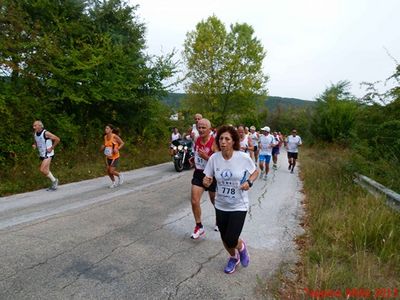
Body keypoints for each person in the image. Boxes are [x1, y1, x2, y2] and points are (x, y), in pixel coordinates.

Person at [203, 125, 259, 274]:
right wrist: (206, 181)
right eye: (221, 138)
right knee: (224, 237)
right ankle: (233, 258)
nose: (223, 141)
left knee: (231, 238)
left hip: (238, 205)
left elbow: (255, 172)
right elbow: (207, 176)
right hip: (221, 204)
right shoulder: (214, 159)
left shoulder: (243, 157)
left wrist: (249, 182)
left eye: (227, 139)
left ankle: (241, 248)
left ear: (233, 141)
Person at [190, 118, 217, 239]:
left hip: (211, 175)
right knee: (195, 201)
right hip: (199, 173)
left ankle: (219, 219)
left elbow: (217, 163)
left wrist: (206, 157)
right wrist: (193, 159)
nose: (200, 130)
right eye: (199, 127)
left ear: (209, 129)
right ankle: (199, 226)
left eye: (203, 127)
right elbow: (196, 154)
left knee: (214, 201)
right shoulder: (197, 139)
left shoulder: (215, 142)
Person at [32, 120, 60, 191]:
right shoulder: (35, 133)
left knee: (42, 169)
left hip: (48, 154)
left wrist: (52, 147)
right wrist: (35, 145)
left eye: (35, 125)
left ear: (40, 126)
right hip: (42, 154)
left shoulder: (46, 133)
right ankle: (54, 181)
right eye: (33, 125)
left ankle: (55, 181)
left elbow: (57, 139)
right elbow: (36, 140)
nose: (33, 127)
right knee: (46, 170)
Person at [101, 124, 125, 188]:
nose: (106, 129)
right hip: (108, 157)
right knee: (108, 171)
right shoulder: (105, 137)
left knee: (111, 171)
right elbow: (105, 145)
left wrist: (117, 149)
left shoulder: (114, 136)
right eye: (105, 128)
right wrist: (103, 147)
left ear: (111, 130)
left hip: (115, 157)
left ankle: (120, 175)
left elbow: (122, 143)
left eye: (107, 128)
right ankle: (113, 183)